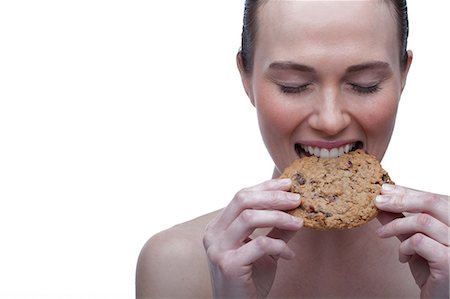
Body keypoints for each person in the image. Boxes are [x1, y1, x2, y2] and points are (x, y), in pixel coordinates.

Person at [136, 0, 450, 298]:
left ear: (403, 76)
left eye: (365, 84)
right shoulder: (175, 266)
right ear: (246, 78)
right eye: (293, 85)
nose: (330, 120)